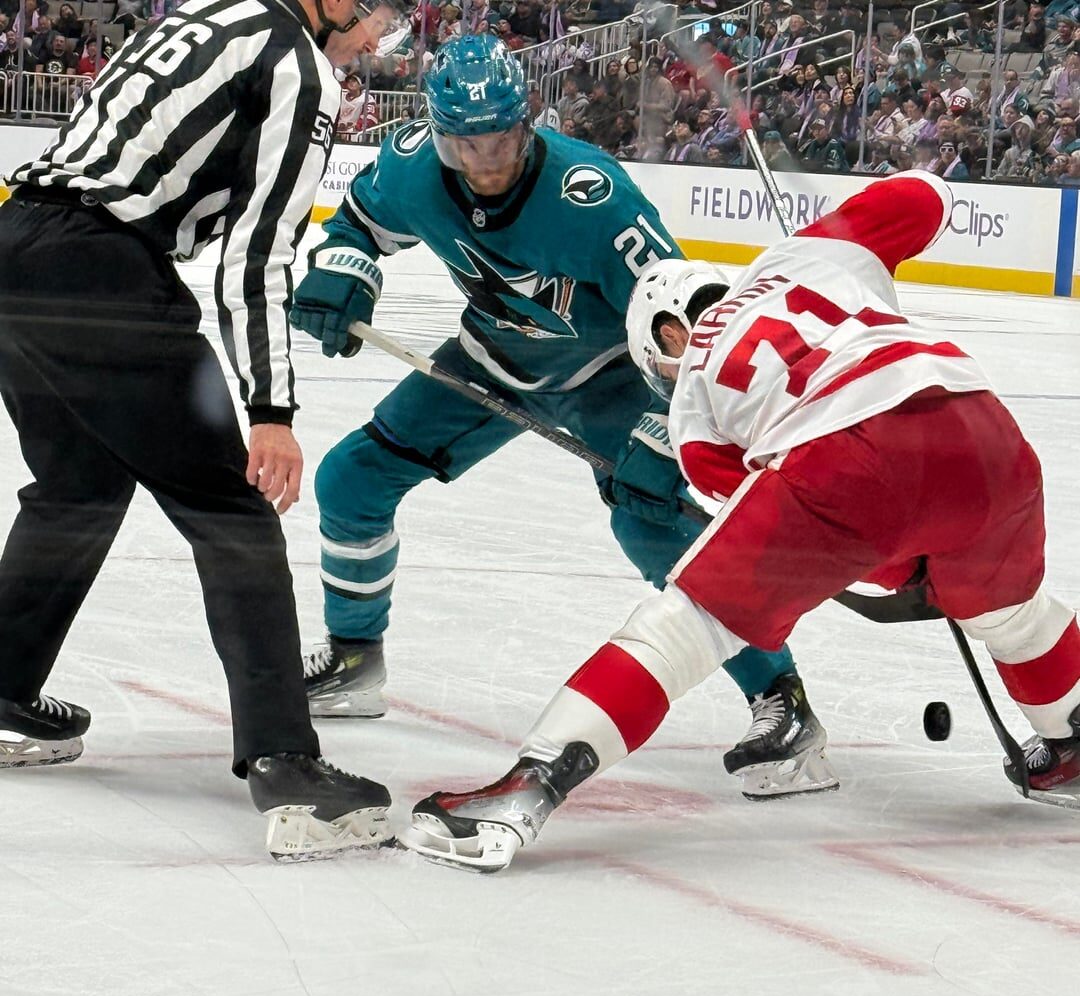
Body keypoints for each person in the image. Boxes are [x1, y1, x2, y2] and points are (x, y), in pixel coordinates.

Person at [397, 171, 1080, 873]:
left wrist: (906, 565)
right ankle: (1072, 747)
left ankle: (525, 790)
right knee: (1013, 614)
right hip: (987, 430)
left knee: (689, 624)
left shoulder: (692, 405)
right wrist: (838, 239)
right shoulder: (807, 255)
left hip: (846, 452)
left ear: (665, 337)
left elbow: (823, 532)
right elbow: (924, 195)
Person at [289, 35, 821, 795]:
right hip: (491, 362)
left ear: (528, 121)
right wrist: (344, 270)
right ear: (438, 134)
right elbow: (357, 224)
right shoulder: (410, 167)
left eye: (501, 139)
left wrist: (662, 430)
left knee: (651, 524)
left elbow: (689, 326)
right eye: (465, 145)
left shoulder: (594, 198)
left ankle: (783, 700)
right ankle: (354, 658)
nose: (487, 162)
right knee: (351, 481)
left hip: (611, 377)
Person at [0, 0, 410, 860]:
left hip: (16, 244)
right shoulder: (300, 67)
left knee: (78, 488)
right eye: (374, 10)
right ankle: (286, 765)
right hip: (102, 275)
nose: (377, 38)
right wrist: (271, 411)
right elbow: (257, 258)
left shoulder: (211, 9)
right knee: (230, 509)